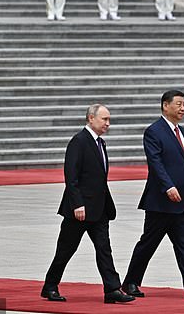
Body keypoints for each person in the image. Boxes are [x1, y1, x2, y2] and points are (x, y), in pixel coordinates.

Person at [122, 90, 184, 300]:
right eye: (179, 104)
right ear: (166, 106)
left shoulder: (183, 132)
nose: (183, 108)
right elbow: (155, 163)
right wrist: (168, 186)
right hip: (161, 202)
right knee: (148, 244)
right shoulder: (154, 132)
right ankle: (130, 282)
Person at [41, 104, 135, 305]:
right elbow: (71, 177)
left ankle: (112, 289)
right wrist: (77, 204)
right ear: (91, 118)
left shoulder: (101, 143)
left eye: (109, 120)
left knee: (104, 249)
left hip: (99, 209)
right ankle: (50, 286)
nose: (108, 124)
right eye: (104, 119)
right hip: (79, 210)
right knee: (66, 250)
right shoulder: (79, 142)